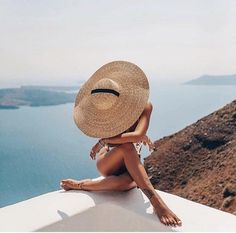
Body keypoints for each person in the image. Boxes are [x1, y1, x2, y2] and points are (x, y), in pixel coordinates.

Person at [60, 61, 182, 227]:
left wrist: (106, 140)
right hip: (108, 162)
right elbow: (131, 139)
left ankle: (79, 184)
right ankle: (157, 203)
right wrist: (107, 141)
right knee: (127, 147)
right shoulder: (105, 113)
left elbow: (138, 134)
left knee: (125, 184)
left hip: (130, 164)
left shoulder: (145, 106)